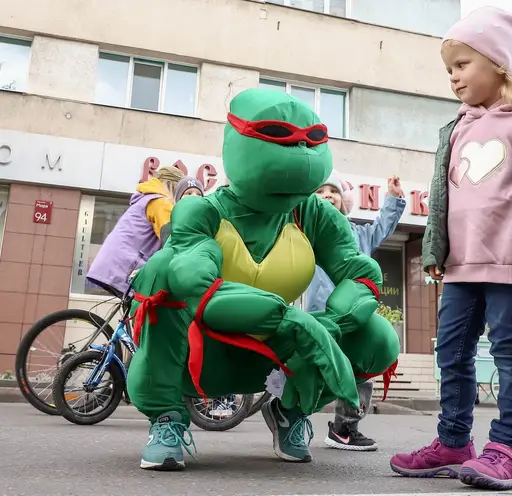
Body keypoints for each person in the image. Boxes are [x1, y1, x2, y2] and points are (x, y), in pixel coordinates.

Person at [124, 88, 400, 471]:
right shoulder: (201, 212)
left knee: (379, 337)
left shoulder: (313, 214)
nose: (299, 155)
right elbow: (197, 287)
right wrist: (293, 320)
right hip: (203, 355)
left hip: (274, 352)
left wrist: (333, 326)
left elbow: (359, 272)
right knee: (161, 280)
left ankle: (290, 409)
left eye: (311, 141)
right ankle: (167, 417)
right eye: (278, 138)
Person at [389, 7, 512, 491]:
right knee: (451, 352)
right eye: (449, 70)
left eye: (462, 64)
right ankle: (454, 441)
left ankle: (509, 448)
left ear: (498, 63)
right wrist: (435, 250)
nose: (454, 77)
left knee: (509, 349)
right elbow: (443, 197)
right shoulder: (456, 127)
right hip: (461, 265)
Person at [305, 171, 405, 452]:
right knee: (314, 369)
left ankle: (345, 428)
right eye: (320, 192)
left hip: (355, 315)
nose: (327, 196)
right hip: (320, 314)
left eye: (333, 191)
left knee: (359, 368)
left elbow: (382, 227)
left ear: (343, 199)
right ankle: (291, 416)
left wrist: (394, 199)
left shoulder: (358, 235)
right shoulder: (307, 236)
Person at [85, 165, 184, 298]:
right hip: (127, 266)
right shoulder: (161, 203)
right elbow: (171, 239)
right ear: (172, 185)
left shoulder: (146, 198)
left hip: (115, 262)